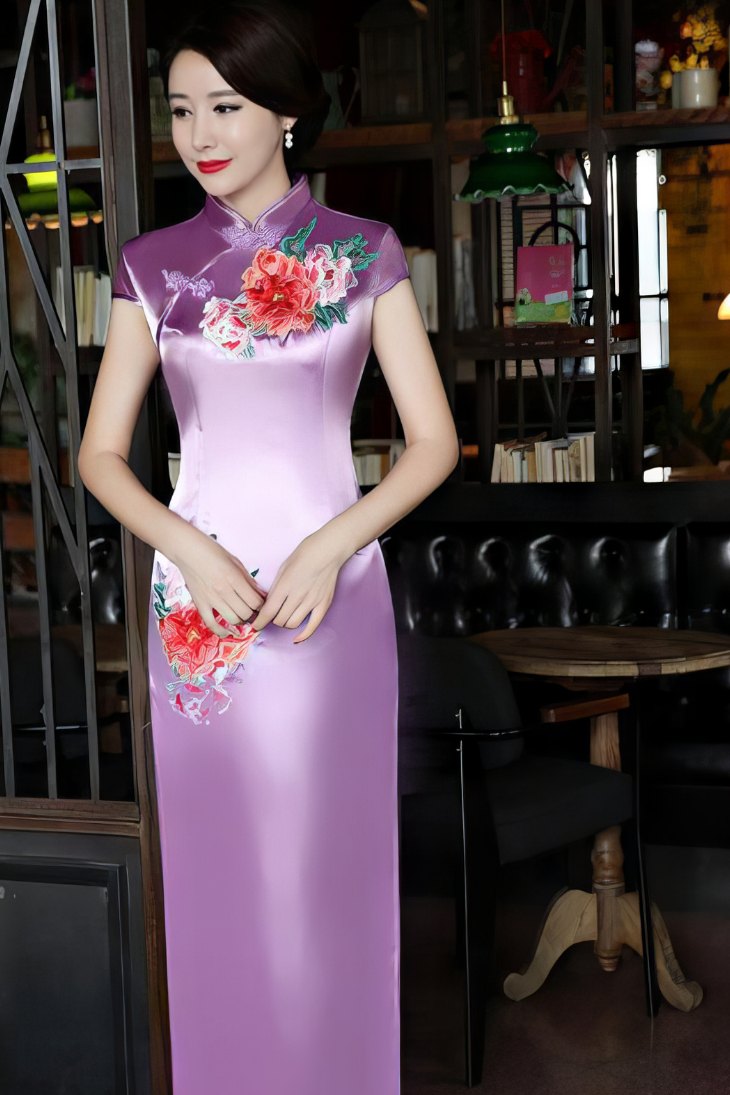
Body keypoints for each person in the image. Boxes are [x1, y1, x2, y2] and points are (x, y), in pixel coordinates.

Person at [78, 3, 458, 1092]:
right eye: (181, 109)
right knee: (221, 874)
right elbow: (99, 457)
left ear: (286, 114)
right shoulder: (152, 267)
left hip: (331, 604)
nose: (199, 133)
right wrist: (191, 553)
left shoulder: (363, 253)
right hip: (199, 614)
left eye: (226, 107)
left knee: (322, 876)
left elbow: (435, 443)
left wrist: (329, 547)